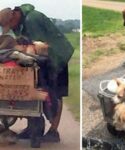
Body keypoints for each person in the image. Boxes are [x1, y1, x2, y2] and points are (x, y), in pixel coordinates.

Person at [3, 4, 74, 146]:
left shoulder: (31, 20)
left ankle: (53, 132)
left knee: (55, 93)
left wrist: (19, 52)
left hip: (57, 58)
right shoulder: (20, 22)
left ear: (13, 16)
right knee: (36, 85)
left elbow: (38, 47)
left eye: (10, 26)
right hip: (46, 58)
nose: (11, 30)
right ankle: (31, 128)